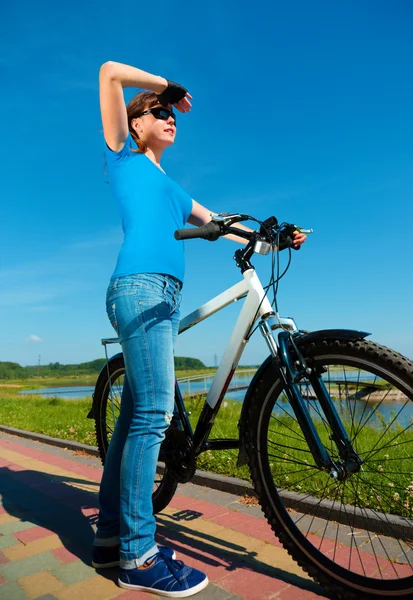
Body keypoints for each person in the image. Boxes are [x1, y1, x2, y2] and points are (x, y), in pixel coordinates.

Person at [92, 60, 307, 597]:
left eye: (171, 115)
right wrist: (167, 88)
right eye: (159, 114)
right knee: (154, 414)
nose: (169, 119)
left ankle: (113, 534)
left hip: (164, 292)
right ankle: (138, 559)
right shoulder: (122, 156)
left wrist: (271, 237)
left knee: (134, 421)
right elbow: (110, 73)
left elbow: (222, 224)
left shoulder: (171, 185)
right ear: (137, 124)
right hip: (138, 286)